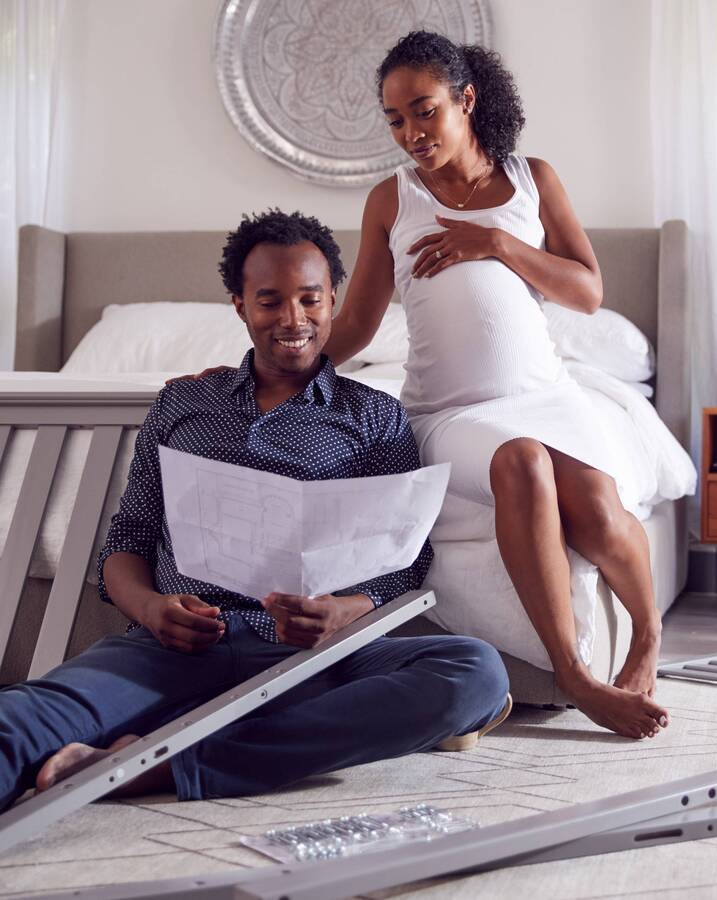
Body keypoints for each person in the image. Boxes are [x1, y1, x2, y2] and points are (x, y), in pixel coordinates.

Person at [0, 210, 511, 812]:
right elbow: (129, 538)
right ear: (239, 305)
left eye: (310, 300)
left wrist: (342, 612)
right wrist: (152, 609)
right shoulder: (184, 402)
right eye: (269, 301)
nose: (293, 320)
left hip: (314, 658)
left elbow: (403, 561)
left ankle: (161, 765)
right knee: (17, 721)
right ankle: (189, 737)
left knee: (473, 673)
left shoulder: (375, 417)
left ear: (332, 302)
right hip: (174, 651)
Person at [328, 32, 668, 739]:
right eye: (394, 120)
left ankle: (647, 637)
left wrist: (499, 243)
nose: (411, 133)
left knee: (601, 512)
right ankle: (573, 673)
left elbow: (588, 293)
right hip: (449, 411)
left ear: (466, 100)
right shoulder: (392, 200)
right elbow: (357, 324)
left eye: (424, 112)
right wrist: (272, 366)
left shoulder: (533, 178)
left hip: (546, 394)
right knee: (521, 460)